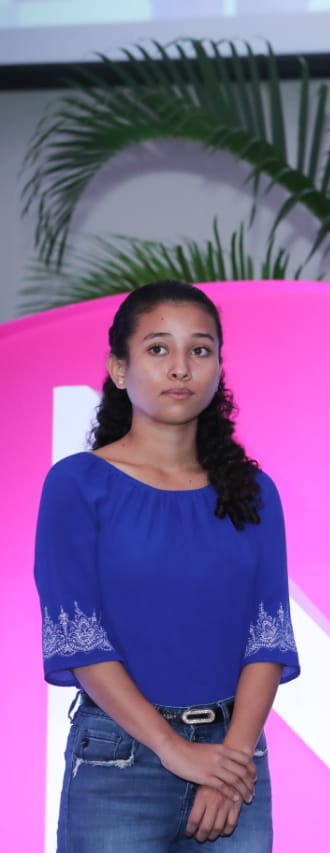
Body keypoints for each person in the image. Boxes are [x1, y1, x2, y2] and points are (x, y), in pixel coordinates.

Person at [34, 281, 300, 851]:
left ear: (218, 368)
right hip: (117, 761)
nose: (180, 367)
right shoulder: (77, 485)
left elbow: (269, 638)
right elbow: (80, 640)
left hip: (234, 765)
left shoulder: (255, 492)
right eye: (158, 348)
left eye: (199, 350)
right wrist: (173, 749)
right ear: (120, 369)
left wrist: (230, 760)